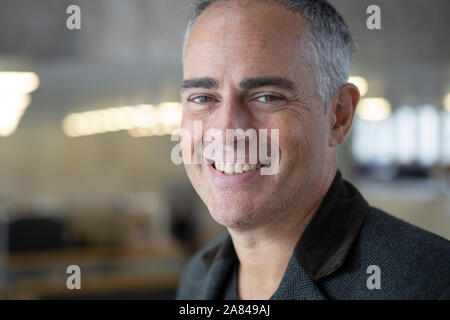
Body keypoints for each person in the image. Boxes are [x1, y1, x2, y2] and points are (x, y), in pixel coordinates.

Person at [176, 0, 450, 300]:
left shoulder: (429, 285)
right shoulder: (198, 278)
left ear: (338, 116)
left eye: (267, 97)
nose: (226, 132)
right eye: (202, 98)